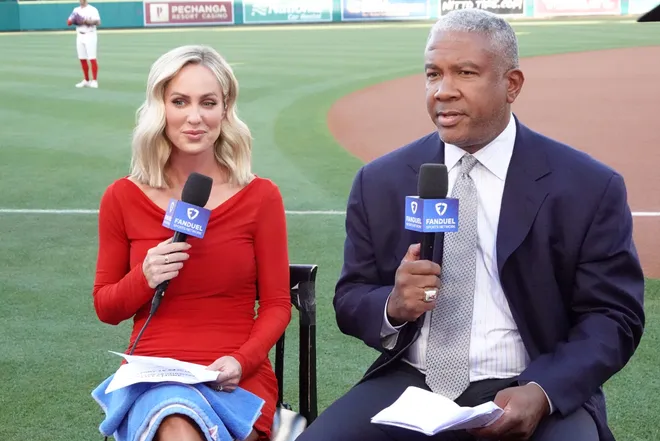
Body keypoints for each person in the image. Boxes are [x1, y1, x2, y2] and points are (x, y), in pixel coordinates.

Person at [297, 8, 645, 441]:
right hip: (412, 383)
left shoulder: (587, 186)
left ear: (511, 85)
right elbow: (350, 298)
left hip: (529, 383)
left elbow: (614, 316)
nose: (443, 91)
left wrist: (542, 391)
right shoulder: (380, 181)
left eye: (465, 73)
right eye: (432, 74)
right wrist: (393, 305)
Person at [91, 45, 291, 441]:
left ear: (225, 109)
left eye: (208, 102)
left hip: (235, 376)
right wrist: (144, 276)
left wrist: (240, 361)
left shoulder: (261, 197)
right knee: (177, 423)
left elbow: (276, 305)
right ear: (159, 107)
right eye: (180, 101)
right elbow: (106, 307)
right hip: (154, 375)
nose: (195, 117)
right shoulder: (121, 197)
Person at [67, 0, 101, 88]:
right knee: (82, 58)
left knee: (92, 58)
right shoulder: (76, 10)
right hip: (80, 35)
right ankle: (86, 80)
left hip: (90, 34)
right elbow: (69, 22)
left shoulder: (92, 9)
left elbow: (98, 22)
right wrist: (72, 21)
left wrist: (86, 21)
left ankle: (94, 81)